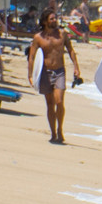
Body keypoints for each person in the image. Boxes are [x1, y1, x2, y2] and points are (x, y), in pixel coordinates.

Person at [31, 14, 80, 145]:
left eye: (55, 18)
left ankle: (60, 129)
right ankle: (53, 133)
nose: (54, 20)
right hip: (44, 73)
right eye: (51, 18)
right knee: (50, 104)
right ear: (45, 21)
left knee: (59, 101)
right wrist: (31, 75)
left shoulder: (62, 34)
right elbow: (32, 57)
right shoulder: (38, 38)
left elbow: (71, 50)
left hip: (59, 71)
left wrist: (76, 67)